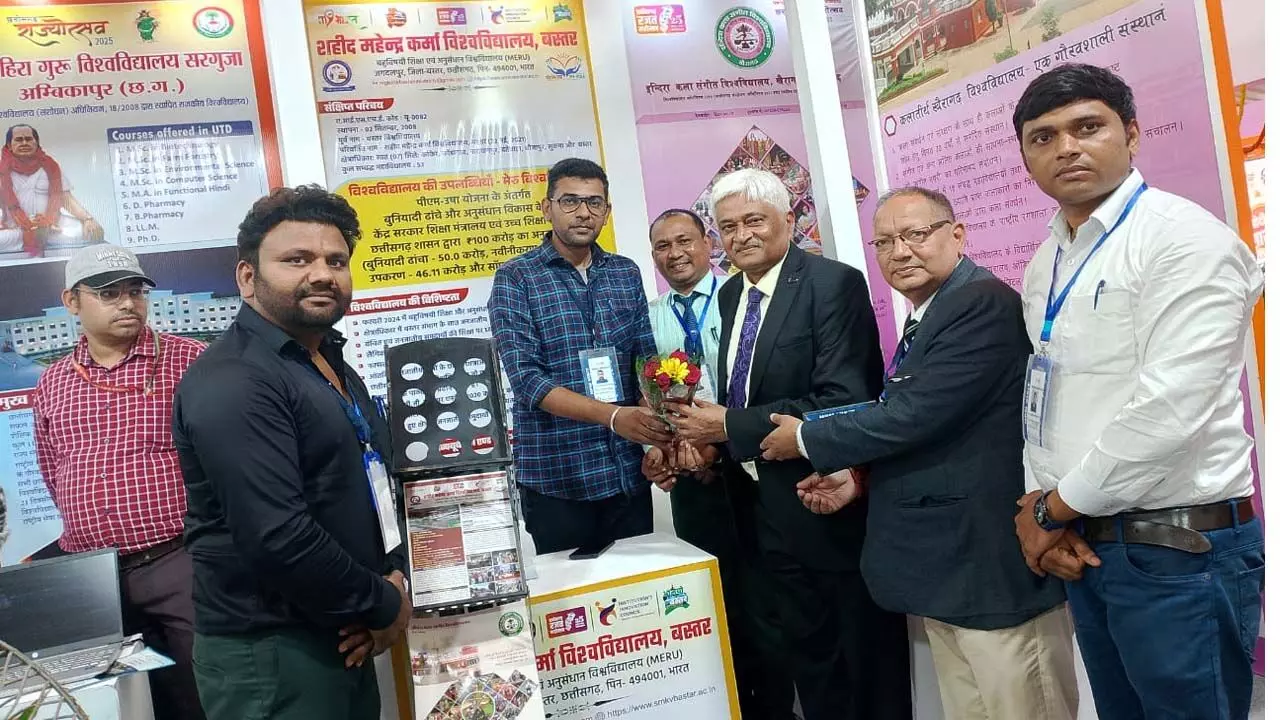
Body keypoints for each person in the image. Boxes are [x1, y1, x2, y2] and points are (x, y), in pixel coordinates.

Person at [759, 188, 1076, 720]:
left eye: (915, 234)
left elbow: (913, 415)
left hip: (988, 566)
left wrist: (808, 436)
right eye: (884, 242)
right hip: (950, 571)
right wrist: (859, 479)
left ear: (957, 234)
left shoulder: (979, 303)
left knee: (1022, 704)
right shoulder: (931, 313)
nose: (900, 251)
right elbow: (929, 426)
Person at [1009, 64, 1264, 719]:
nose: (1067, 147)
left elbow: (1169, 412)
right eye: (1043, 137)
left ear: (1132, 134)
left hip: (1176, 554)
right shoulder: (1048, 260)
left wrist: (1049, 513)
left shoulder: (1185, 241)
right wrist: (1046, 505)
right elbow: (1047, 401)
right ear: (1027, 158)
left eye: (1087, 127)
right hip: (1087, 544)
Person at [666, 169, 910, 720]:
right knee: (808, 659)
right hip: (755, 509)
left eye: (754, 220)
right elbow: (742, 390)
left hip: (821, 498)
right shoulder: (732, 293)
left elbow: (844, 397)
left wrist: (730, 427)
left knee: (859, 663)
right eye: (728, 226)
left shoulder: (832, 284)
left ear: (789, 219)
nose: (741, 236)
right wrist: (712, 442)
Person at [172, 186, 410, 720]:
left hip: (342, 626)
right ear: (247, 277)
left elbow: (366, 480)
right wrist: (385, 603)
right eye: (297, 260)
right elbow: (277, 535)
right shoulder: (235, 379)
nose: (322, 274)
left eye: (336, 261)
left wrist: (391, 576)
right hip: (273, 652)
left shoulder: (322, 360)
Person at [31, 244, 207, 720]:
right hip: (95, 578)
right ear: (72, 301)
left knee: (205, 694)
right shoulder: (54, 382)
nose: (128, 303)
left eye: (136, 291)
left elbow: (225, 459)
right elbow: (53, 469)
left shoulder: (190, 361)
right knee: (122, 705)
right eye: (109, 294)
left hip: (179, 561)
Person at [641, 208, 793, 720]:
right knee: (714, 599)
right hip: (693, 477)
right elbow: (646, 400)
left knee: (764, 599)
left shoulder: (742, 299)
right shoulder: (650, 318)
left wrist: (719, 444)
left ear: (708, 244)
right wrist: (662, 451)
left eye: (685, 240)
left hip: (753, 467)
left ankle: (776, 708)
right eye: (662, 246)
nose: (675, 253)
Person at [488, 158, 670, 554]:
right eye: (570, 201)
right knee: (572, 592)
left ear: (607, 210)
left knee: (641, 585)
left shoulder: (624, 272)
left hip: (626, 475)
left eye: (594, 202)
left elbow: (645, 365)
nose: (584, 212)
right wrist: (615, 417)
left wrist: (654, 440)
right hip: (557, 480)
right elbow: (528, 382)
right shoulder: (516, 278)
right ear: (547, 207)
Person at [0, 125, 103, 258]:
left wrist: (87, 219)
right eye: (19, 140)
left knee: (88, 232)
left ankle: (40, 238)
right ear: (9, 145)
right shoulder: (2, 171)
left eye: (28, 139)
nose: (24, 143)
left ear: (36, 143)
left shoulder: (50, 167)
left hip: (52, 226)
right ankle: (34, 238)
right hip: (17, 228)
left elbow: (66, 198)